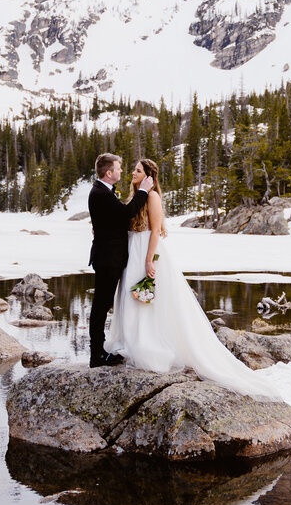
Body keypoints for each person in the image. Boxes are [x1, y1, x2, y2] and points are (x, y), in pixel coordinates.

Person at [105, 158, 279, 399]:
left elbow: (155, 229)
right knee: (131, 296)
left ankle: (148, 345)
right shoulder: (135, 196)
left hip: (146, 249)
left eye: (138, 171)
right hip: (132, 251)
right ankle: (131, 342)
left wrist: (149, 260)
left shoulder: (152, 196)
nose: (132, 174)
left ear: (149, 176)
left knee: (146, 298)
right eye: (134, 170)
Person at [88, 153, 153, 368]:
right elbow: (126, 213)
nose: (122, 171)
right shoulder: (100, 193)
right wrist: (143, 190)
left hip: (110, 256)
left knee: (103, 304)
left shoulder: (104, 192)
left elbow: (113, 220)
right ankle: (96, 355)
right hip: (107, 258)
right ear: (108, 173)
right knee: (101, 306)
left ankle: (99, 352)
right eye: (118, 168)